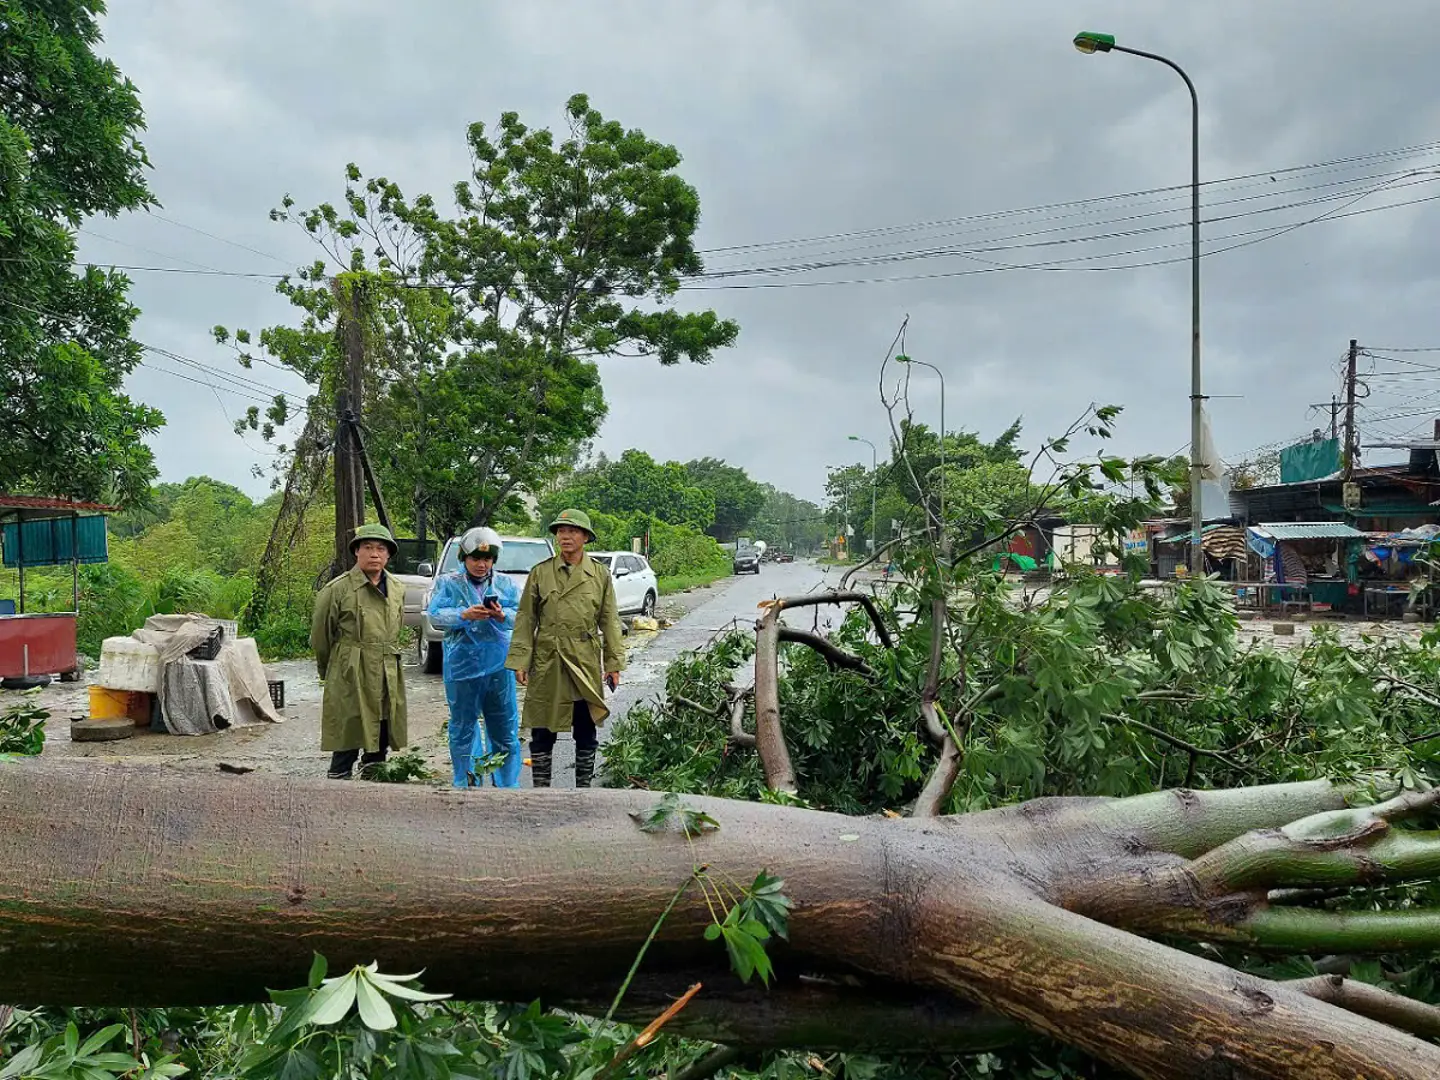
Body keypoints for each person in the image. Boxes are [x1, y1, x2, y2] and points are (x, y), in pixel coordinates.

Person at [505, 509, 625, 788]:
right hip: (548, 660)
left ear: (585, 537)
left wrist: (614, 664)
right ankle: (542, 793)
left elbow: (609, 620)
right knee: (542, 729)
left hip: (583, 660)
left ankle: (583, 791)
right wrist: (521, 660)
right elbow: (526, 618)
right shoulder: (541, 573)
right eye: (561, 531)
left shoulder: (599, 575)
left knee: (585, 729)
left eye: (572, 531)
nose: (565, 536)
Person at [426, 526, 522, 788]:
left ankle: (507, 786)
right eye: (476, 559)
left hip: (499, 666)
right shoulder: (448, 583)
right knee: (463, 726)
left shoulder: (504, 584)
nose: (482, 564)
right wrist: (463, 615)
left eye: (487, 559)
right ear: (464, 558)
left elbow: (522, 617)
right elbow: (434, 614)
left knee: (504, 727)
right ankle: (468, 781)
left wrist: (502, 616)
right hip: (462, 666)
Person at [312, 523, 408, 779]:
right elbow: (321, 637)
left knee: (382, 728)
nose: (374, 554)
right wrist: (329, 671)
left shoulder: (398, 588)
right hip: (350, 668)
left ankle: (373, 780)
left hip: (387, 666)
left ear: (388, 554)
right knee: (349, 728)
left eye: (380, 548)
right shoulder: (337, 589)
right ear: (356, 552)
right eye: (368, 547)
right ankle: (339, 783)